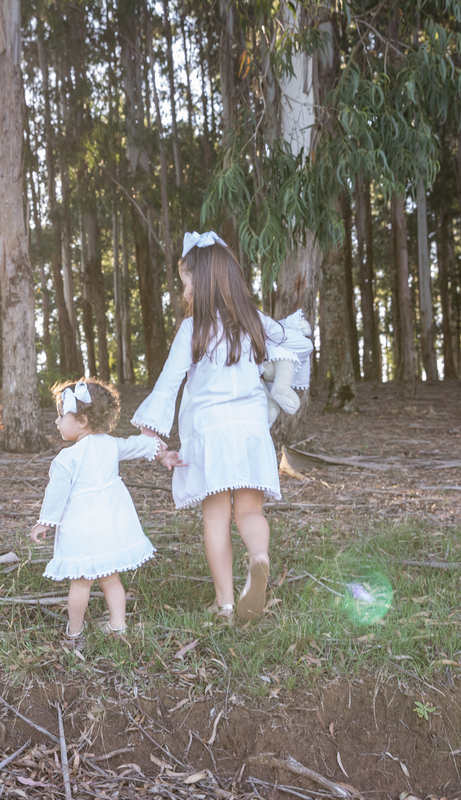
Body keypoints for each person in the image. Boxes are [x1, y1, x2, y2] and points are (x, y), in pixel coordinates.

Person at [132, 231, 313, 623]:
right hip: (250, 431)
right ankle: (259, 559)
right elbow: (297, 344)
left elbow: (168, 385)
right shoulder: (252, 322)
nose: (186, 290)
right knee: (250, 512)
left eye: (187, 282)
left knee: (216, 517)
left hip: (209, 433)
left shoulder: (191, 330)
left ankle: (226, 604)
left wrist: (153, 440)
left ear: (201, 282)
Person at [30, 379, 181, 641]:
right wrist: (163, 455)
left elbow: (56, 494)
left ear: (82, 421)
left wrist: (46, 522)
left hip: (82, 529)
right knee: (111, 580)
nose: (57, 422)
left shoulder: (67, 458)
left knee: (80, 583)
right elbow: (140, 444)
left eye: (61, 416)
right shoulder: (112, 445)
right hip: (111, 525)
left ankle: (75, 630)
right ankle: (117, 624)